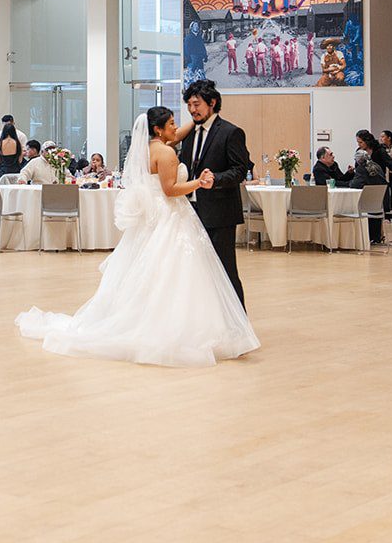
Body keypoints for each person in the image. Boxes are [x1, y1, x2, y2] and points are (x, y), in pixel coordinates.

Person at [17, 107, 259, 367]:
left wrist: (201, 117)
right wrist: (199, 182)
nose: (175, 128)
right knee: (176, 272)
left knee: (151, 271)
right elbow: (170, 190)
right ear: (158, 129)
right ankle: (174, 326)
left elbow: (173, 147)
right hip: (171, 215)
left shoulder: (145, 151)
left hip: (153, 219)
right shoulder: (166, 153)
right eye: (171, 123)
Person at [176, 79, 251, 305]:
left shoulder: (231, 132)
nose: (192, 109)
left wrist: (216, 179)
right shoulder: (189, 134)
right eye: (189, 104)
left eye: (196, 104)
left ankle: (239, 324)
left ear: (212, 103)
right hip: (191, 211)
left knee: (225, 269)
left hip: (220, 214)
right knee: (195, 270)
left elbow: (240, 170)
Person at [350, 130, 392, 245]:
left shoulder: (379, 151)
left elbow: (390, 163)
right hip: (366, 186)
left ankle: (374, 236)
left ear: (367, 141)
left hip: (377, 187)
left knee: (371, 206)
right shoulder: (359, 152)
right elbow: (359, 172)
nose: (359, 145)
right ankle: (372, 236)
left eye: (360, 142)